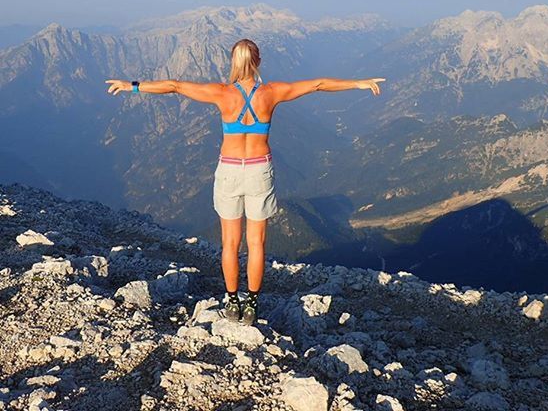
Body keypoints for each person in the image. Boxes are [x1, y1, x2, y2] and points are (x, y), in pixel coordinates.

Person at [105, 38, 385, 325]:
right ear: (258, 61)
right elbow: (318, 84)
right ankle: (251, 303)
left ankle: (232, 300)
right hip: (259, 170)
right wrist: (359, 83)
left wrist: (133, 85)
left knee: (229, 242)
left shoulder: (221, 93)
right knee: (257, 243)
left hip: (229, 170)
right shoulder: (271, 93)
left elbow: (175, 86)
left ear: (232, 62)